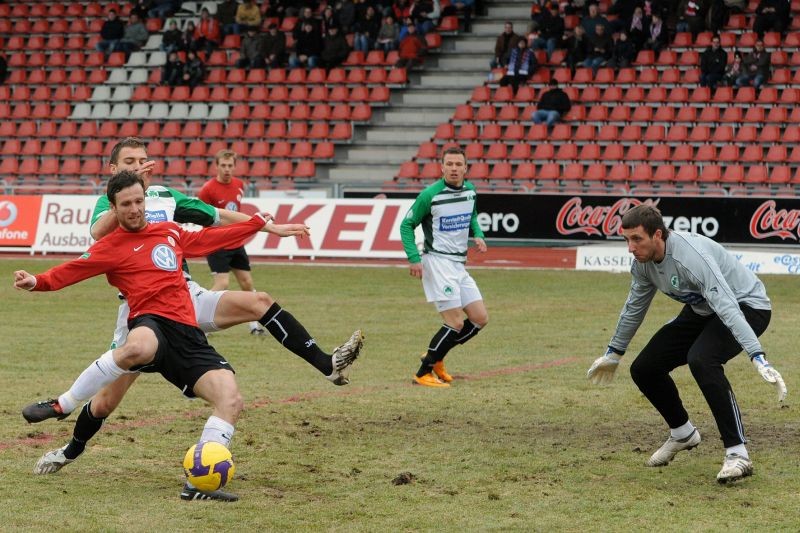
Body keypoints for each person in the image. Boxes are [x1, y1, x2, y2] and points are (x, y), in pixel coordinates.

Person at [26, 138, 364, 478]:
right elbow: (98, 235)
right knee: (104, 403)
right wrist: (126, 198)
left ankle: (326, 364)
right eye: (130, 162)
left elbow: (215, 220)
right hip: (142, 309)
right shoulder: (110, 205)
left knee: (258, 302)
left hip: (185, 295)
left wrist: (264, 225)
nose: (139, 166)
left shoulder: (166, 198)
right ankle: (69, 449)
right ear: (114, 171)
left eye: (143, 160)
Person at [15, 171, 275, 501]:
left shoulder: (169, 231)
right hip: (150, 322)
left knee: (231, 400)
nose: (135, 209)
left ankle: (199, 483)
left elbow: (210, 239)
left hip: (188, 335)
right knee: (137, 349)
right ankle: (63, 404)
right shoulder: (110, 246)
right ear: (113, 208)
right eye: (126, 204)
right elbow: (70, 271)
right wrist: (36, 282)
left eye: (139, 201)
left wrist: (254, 224)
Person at [587, 204, 786, 484]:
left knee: (702, 359)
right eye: (626, 240)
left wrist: (757, 355)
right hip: (703, 310)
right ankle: (682, 433)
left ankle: (738, 453)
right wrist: (614, 353)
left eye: (637, 239)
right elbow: (634, 307)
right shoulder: (642, 265)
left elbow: (727, 306)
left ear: (658, 235)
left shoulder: (690, 258)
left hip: (747, 307)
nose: (630, 248)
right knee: (645, 368)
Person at [399, 146, 489, 388]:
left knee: (480, 318)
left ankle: (437, 357)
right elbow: (406, 225)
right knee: (455, 322)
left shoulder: (470, 191)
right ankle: (423, 373)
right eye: (449, 164)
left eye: (458, 164)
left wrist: (478, 234)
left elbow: (472, 215)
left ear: (466, 168)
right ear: (442, 167)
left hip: (458, 264)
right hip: (437, 263)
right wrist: (413, 258)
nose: (454, 168)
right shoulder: (430, 195)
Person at [197, 149, 262, 335]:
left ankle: (254, 326)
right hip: (217, 243)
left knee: (247, 283)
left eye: (230, 165)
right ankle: (199, 324)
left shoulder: (240, 185)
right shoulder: (207, 190)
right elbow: (202, 217)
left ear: (234, 167)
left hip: (236, 242)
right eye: (223, 165)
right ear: (217, 166)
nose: (227, 169)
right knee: (222, 283)